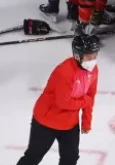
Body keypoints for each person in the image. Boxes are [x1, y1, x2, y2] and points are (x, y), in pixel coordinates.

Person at [15, 34, 100, 165]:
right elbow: (64, 103)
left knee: (70, 158)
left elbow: (90, 95)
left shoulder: (93, 71)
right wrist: (85, 101)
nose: (92, 61)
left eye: (95, 56)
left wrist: (86, 121)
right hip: (46, 122)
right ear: (77, 55)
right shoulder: (64, 72)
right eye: (89, 56)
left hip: (70, 123)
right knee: (33, 157)